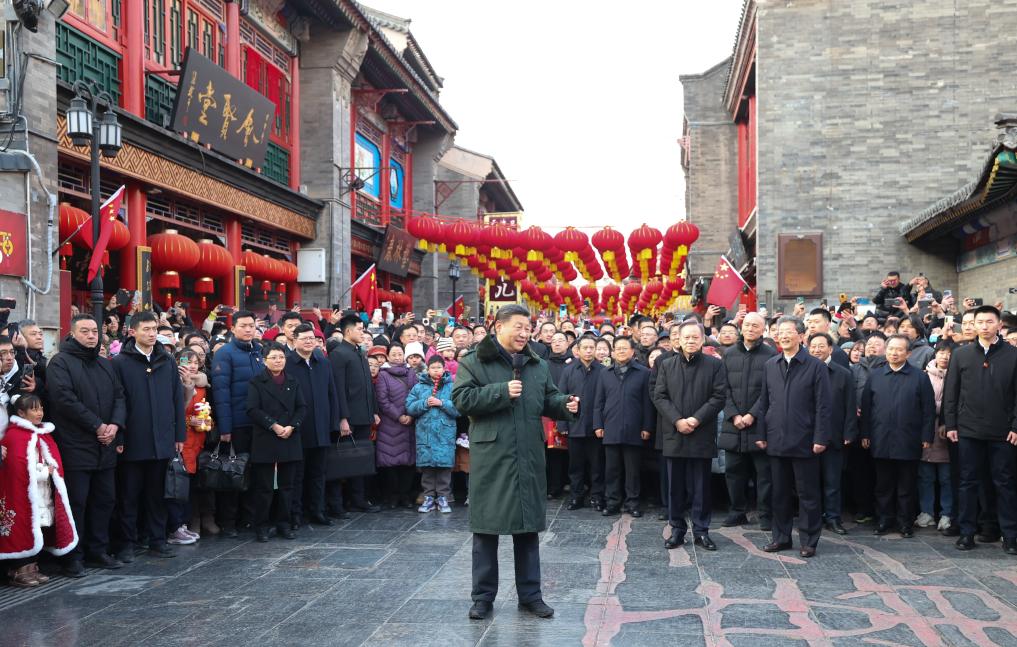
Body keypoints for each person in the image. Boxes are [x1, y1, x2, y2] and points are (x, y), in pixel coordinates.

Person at [452, 304, 578, 620]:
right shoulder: (473, 363)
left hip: (529, 456)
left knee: (527, 530)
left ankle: (531, 596)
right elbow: (461, 401)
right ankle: (482, 598)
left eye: (528, 328)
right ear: (499, 326)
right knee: (485, 531)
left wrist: (565, 405)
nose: (525, 333)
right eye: (518, 327)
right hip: (492, 459)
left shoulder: (537, 364)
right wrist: (500, 391)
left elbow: (546, 399)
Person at [46, 314, 126, 576]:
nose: (92, 336)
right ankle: (73, 556)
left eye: (95, 331)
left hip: (105, 444)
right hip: (75, 444)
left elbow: (119, 396)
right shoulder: (60, 363)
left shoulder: (105, 364)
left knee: (105, 500)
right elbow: (63, 400)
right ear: (73, 333)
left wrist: (114, 425)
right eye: (85, 331)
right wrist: (97, 425)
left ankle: (98, 550)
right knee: (76, 502)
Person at [753, 317, 832, 558]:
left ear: (801, 336)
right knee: (779, 493)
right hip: (776, 439)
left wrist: (820, 437)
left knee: (808, 494)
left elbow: (823, 406)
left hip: (805, 440)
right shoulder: (770, 364)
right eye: (780, 332)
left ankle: (809, 540)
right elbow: (764, 402)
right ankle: (781, 537)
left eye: (789, 332)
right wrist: (761, 433)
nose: (784, 336)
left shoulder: (815, 366)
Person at [943, 305, 1017, 554]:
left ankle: (1010, 536)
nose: (984, 326)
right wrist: (951, 424)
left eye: (989, 321)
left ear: (999, 325)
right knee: (967, 482)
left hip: (1003, 431)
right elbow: (951, 393)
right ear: (973, 325)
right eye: (979, 322)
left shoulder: (1013, 354)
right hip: (968, 430)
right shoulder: (961, 354)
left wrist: (1015, 425)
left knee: (1004, 483)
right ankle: (966, 533)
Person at [112, 311, 186, 561]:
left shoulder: (166, 360)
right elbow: (117, 402)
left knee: (158, 495)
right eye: (146, 329)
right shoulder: (120, 362)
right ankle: (126, 544)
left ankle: (157, 539)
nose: (152, 333)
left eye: (154, 328)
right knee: (128, 496)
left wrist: (179, 434)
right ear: (132, 332)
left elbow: (177, 399)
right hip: (133, 440)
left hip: (162, 439)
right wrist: (119, 437)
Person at [652, 320, 727, 552]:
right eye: (686, 337)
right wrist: (677, 420)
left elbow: (718, 396)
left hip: (701, 432)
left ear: (703, 340)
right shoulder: (667, 364)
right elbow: (660, 396)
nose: (691, 341)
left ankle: (701, 530)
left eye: (695, 337)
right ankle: (677, 529)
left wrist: (695, 419)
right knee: (675, 486)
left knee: (701, 486)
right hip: (675, 433)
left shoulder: (714, 366)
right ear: (679, 340)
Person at [860, 335, 935, 537]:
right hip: (880, 437)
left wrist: (926, 436)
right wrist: (865, 433)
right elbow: (867, 408)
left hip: (908, 438)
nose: (894, 353)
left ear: (908, 353)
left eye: (899, 349)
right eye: (891, 349)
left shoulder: (920, 377)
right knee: (883, 485)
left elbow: (928, 410)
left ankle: (905, 523)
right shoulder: (876, 375)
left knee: (906, 486)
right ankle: (884, 520)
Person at [0, 395, 78, 586]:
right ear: (21, 413)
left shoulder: (43, 433)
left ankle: (32, 566)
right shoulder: (14, 436)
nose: (39, 413)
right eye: (34, 409)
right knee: (22, 526)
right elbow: (19, 468)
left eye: (41, 408)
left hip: (43, 493)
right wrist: (45, 471)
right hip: (24, 494)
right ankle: (18, 569)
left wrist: (51, 471)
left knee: (39, 529)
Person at [720, 312, 776, 529]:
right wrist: (734, 414)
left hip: (759, 424)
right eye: (747, 324)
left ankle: (765, 514)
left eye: (756, 325)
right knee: (733, 472)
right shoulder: (729, 353)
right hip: (733, 424)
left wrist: (752, 414)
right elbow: (722, 388)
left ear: (763, 330)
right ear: (741, 328)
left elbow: (770, 390)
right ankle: (737, 511)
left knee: (764, 474)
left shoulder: (771, 355)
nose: (751, 328)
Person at [210, 310, 264, 536]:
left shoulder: (260, 351)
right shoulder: (225, 354)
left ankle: (250, 519)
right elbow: (221, 394)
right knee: (234, 473)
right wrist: (225, 428)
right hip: (237, 423)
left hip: (259, 424)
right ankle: (228, 522)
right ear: (233, 328)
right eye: (243, 325)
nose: (248, 329)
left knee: (255, 473)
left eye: (251, 325)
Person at [246, 342, 306, 542]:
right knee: (263, 487)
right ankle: (261, 526)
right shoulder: (256, 381)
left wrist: (292, 426)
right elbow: (253, 409)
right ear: (264, 361)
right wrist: (274, 425)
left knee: (287, 486)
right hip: (266, 437)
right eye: (273, 357)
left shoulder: (293, 380)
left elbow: (302, 407)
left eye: (281, 357)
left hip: (289, 437)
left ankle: (284, 523)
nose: (278, 361)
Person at [287, 324, 341, 529]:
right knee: (297, 475)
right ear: (294, 339)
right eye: (304, 338)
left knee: (319, 473)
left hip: (321, 426)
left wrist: (333, 421)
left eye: (312, 338)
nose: (309, 341)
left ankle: (317, 510)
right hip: (298, 428)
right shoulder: (288, 363)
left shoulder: (323, 362)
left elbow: (332, 394)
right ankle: (295, 514)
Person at [594, 336, 653, 517]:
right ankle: (612, 502)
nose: (620, 351)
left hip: (634, 428)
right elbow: (599, 402)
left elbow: (648, 403)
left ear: (632, 351)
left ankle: (632, 503)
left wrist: (647, 427)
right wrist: (598, 424)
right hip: (610, 427)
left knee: (632, 470)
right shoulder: (605, 373)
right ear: (612, 352)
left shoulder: (643, 373)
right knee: (612, 469)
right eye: (617, 348)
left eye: (624, 348)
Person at [329, 314, 382, 514]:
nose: (363, 333)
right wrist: (343, 417)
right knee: (341, 461)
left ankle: (358, 499)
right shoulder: (339, 353)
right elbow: (338, 389)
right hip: (349, 417)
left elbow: (368, 384)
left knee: (360, 460)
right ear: (348, 331)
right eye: (359, 329)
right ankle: (337, 504)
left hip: (364, 415)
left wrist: (374, 410)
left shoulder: (360, 352)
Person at [807, 332, 858, 535]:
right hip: (807, 436)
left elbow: (850, 405)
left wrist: (849, 432)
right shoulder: (803, 370)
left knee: (832, 481)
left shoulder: (843, 373)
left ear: (830, 349)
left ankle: (833, 518)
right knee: (810, 481)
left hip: (834, 435)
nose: (817, 350)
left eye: (821, 346)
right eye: (813, 346)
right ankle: (812, 517)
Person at [558, 334, 606, 511]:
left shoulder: (602, 370)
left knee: (597, 465)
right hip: (574, 425)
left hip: (596, 426)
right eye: (584, 347)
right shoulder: (569, 370)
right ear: (577, 350)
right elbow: (561, 397)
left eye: (591, 347)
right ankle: (576, 496)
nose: (588, 350)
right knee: (575, 465)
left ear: (595, 349)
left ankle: (597, 497)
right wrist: (562, 424)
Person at [407, 356, 459, 513]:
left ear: (444, 369)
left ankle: (443, 497)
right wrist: (424, 403)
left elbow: (460, 408)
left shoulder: (452, 386)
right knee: (427, 467)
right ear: (427, 369)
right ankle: (428, 497)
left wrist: (442, 403)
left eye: (439, 367)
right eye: (433, 367)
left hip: (445, 434)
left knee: (444, 468)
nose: (436, 370)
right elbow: (409, 406)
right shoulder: (419, 387)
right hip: (425, 433)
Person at [375, 341, 418, 509]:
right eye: (394, 354)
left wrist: (411, 415)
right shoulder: (383, 375)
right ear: (388, 356)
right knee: (390, 463)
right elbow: (383, 401)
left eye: (400, 354)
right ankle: (392, 497)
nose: (397, 357)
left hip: (410, 422)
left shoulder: (411, 373)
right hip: (390, 424)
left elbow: (417, 394)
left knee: (408, 463)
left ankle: (405, 496)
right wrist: (399, 416)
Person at [919, 341, 954, 532]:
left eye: (948, 353)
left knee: (946, 477)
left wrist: (943, 415)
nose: (944, 356)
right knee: (925, 475)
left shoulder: (957, 375)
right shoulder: (924, 376)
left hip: (947, 430)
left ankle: (947, 513)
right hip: (926, 429)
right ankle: (926, 512)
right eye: (941, 352)